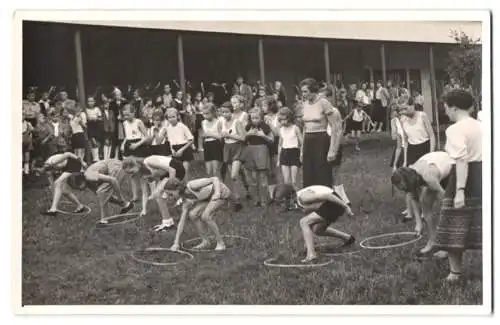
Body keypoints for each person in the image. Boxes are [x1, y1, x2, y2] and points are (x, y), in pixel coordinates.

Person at [432, 89, 482, 283]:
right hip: (484, 174)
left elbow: (461, 161)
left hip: (465, 177)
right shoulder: (481, 125)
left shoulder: (455, 129)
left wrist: (460, 190)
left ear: (453, 107)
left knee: (452, 222)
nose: (445, 112)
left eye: (446, 108)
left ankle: (455, 273)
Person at [391, 151, 454, 258]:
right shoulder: (410, 173)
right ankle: (433, 241)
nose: (402, 190)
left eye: (401, 187)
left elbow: (446, 203)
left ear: (407, 181)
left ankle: (448, 247)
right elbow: (414, 198)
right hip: (433, 164)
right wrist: (419, 223)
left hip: (451, 167)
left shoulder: (428, 177)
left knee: (446, 210)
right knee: (425, 204)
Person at [165, 177, 232, 252]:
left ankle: (221, 243)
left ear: (177, 188)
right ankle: (205, 241)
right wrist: (176, 242)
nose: (170, 197)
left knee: (206, 216)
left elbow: (215, 179)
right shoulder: (185, 199)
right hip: (208, 198)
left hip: (222, 193)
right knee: (192, 214)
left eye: (170, 194)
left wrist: (217, 193)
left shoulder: (192, 185)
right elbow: (182, 221)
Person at [122, 155, 186, 231]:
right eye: (129, 174)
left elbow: (171, 169)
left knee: (157, 194)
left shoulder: (148, 161)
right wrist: (144, 210)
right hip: (167, 174)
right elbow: (145, 193)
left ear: (136, 165)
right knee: (158, 195)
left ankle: (168, 224)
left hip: (176, 168)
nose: (131, 175)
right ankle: (168, 222)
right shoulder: (142, 174)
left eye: (131, 172)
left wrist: (171, 186)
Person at [300, 78, 343, 188]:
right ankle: (312, 202)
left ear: (313, 90)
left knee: (322, 173)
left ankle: (326, 202)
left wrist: (333, 150)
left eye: (305, 91)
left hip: (321, 140)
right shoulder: (304, 104)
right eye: (302, 91)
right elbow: (304, 128)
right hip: (308, 141)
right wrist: (301, 150)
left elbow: (336, 128)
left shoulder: (323, 103)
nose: (303, 94)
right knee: (309, 173)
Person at [296, 185, 355, 263]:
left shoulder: (303, 196)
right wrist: (307, 243)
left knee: (303, 222)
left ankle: (311, 255)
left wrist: (346, 207)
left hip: (334, 201)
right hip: (330, 204)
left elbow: (328, 196)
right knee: (317, 229)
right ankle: (348, 238)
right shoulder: (299, 201)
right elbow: (314, 211)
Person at [83, 159, 135, 224]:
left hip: (115, 166)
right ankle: (127, 205)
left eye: (76, 187)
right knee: (102, 193)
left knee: (102, 192)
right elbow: (99, 194)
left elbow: (113, 180)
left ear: (80, 180)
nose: (79, 190)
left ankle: (104, 220)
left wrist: (120, 197)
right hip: (110, 167)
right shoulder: (87, 182)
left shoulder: (88, 175)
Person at [241, 107, 274, 207]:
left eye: (256, 118)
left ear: (261, 118)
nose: (254, 120)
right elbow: (242, 140)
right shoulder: (248, 126)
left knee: (263, 177)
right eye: (252, 118)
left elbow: (272, 140)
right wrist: (247, 134)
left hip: (261, 150)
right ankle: (256, 199)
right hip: (250, 150)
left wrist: (263, 135)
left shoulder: (265, 126)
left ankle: (264, 200)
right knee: (253, 178)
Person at [36, 152, 87, 216]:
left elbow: (68, 154)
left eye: (39, 170)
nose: (40, 172)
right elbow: (52, 185)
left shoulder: (53, 161)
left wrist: (82, 162)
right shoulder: (48, 169)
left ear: (43, 165)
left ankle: (53, 209)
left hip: (73, 163)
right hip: (66, 167)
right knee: (64, 190)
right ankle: (80, 206)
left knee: (58, 182)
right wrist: (53, 192)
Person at [220, 101, 247, 212]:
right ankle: (246, 188)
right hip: (228, 148)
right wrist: (222, 137)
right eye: (223, 112)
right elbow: (221, 136)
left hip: (238, 148)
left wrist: (230, 135)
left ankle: (237, 200)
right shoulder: (221, 122)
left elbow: (243, 137)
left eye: (227, 112)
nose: (225, 114)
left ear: (231, 111)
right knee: (237, 173)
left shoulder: (237, 122)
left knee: (233, 175)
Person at [276, 107, 302, 209]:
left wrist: (301, 154)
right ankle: (288, 202)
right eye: (280, 120)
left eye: (284, 119)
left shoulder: (295, 128)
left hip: (294, 153)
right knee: (286, 182)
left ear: (289, 118)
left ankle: (298, 201)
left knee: (294, 181)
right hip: (284, 154)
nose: (282, 122)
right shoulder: (281, 129)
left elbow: (301, 142)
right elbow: (280, 144)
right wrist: (279, 159)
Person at [165, 108, 194, 180]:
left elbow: (191, 140)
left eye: (173, 117)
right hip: (175, 150)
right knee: (177, 172)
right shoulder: (168, 128)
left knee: (185, 170)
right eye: (169, 117)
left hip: (184, 148)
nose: (171, 119)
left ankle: (187, 187)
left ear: (177, 116)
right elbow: (170, 141)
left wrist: (181, 150)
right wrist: (172, 150)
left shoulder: (182, 126)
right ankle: (179, 188)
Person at [201, 103, 223, 178]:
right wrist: (204, 137)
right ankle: (211, 188)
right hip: (207, 146)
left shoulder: (218, 122)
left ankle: (219, 187)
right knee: (208, 171)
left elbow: (221, 137)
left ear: (213, 113)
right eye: (204, 114)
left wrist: (210, 134)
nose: (205, 116)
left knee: (215, 170)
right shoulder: (203, 122)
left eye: (207, 113)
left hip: (216, 145)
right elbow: (203, 135)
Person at [85, 96, 103, 162]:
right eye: (89, 101)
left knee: (97, 142)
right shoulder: (86, 110)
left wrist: (96, 119)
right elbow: (85, 118)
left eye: (92, 101)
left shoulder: (97, 109)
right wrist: (89, 119)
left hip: (96, 126)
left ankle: (96, 157)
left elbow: (101, 118)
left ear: (94, 102)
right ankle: (93, 158)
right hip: (89, 126)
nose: (90, 103)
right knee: (91, 141)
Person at [390, 106, 407, 171]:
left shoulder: (407, 120)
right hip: (401, 148)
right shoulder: (394, 121)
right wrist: (394, 165)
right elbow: (394, 138)